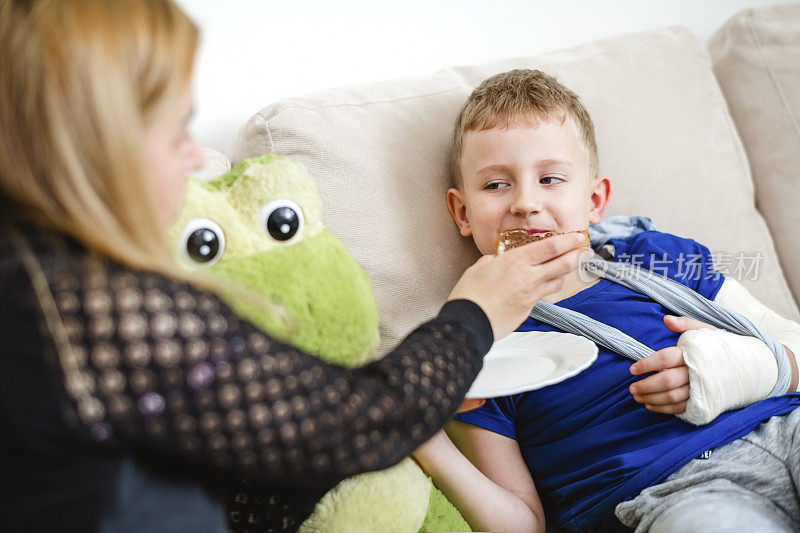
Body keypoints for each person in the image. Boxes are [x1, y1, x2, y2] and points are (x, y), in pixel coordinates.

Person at [0, 4, 587, 532]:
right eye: (175, 128)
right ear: (87, 143)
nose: (192, 158)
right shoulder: (79, 302)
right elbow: (352, 426)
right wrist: (475, 316)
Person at [411, 69, 800, 533]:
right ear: (462, 213)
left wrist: (739, 366)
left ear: (595, 200)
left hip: (786, 423)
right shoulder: (478, 353)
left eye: (551, 178)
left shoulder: (658, 255)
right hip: (671, 491)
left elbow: (790, 344)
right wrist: (420, 436)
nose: (526, 203)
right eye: (497, 185)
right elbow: (522, 524)